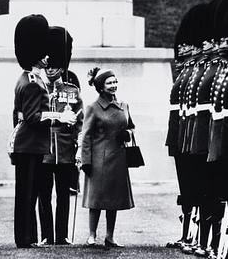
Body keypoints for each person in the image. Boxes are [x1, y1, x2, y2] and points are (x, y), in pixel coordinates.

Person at [10, 14, 76, 248]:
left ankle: (26, 237)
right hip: (30, 144)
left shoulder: (28, 78)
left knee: (28, 194)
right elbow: (32, 117)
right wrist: (60, 116)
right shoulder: (31, 83)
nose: (47, 57)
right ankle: (25, 238)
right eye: (42, 54)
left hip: (29, 144)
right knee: (28, 195)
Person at [37, 26, 83, 246]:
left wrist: (77, 141)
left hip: (65, 148)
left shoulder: (71, 88)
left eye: (56, 66)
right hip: (43, 148)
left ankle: (62, 235)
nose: (51, 70)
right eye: (49, 66)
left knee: (64, 195)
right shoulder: (37, 87)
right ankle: (46, 234)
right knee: (44, 195)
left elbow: (79, 116)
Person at [81, 67, 135, 247]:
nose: (114, 85)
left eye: (115, 81)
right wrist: (86, 160)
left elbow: (131, 126)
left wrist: (127, 133)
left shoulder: (123, 105)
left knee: (114, 199)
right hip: (98, 159)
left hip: (118, 157)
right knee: (96, 199)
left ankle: (110, 236)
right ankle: (92, 234)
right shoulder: (93, 108)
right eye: (109, 83)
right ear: (101, 87)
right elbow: (86, 136)